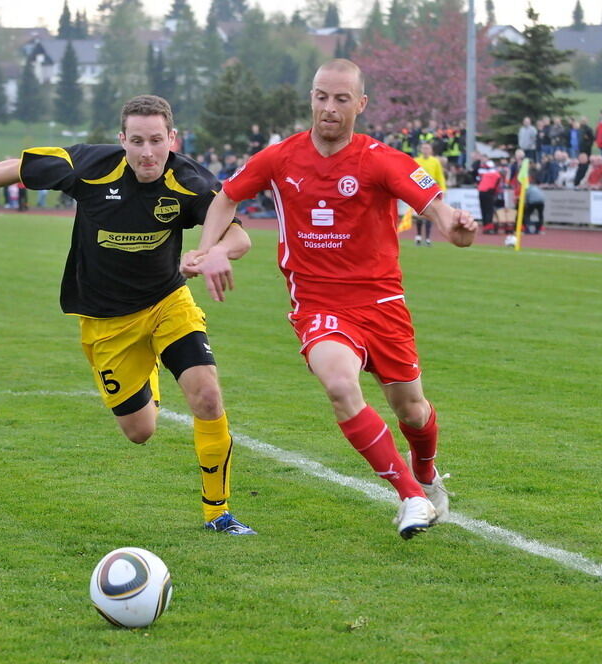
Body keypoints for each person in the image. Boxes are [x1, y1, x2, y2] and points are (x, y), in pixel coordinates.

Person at [0, 95, 257, 536]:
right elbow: (21, 166)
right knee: (139, 431)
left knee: (207, 396)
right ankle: (146, 373)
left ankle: (218, 513)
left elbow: (238, 234)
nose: (147, 152)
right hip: (106, 321)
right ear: (122, 140)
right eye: (137, 141)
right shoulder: (92, 166)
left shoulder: (188, 179)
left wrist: (215, 253)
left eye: (157, 140)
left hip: (167, 304)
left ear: (172, 139)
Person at [185, 59, 477, 539]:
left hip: (382, 306)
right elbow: (226, 197)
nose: (329, 108)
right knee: (341, 387)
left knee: (413, 412)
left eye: (341, 99)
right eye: (322, 96)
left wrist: (458, 228)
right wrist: (206, 249)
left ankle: (424, 471)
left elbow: (440, 214)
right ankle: (412, 496)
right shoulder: (279, 158)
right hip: (318, 306)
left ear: (360, 105)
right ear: (311, 99)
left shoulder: (381, 159)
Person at [412, 142, 446, 246]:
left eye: (427, 148)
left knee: (429, 214)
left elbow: (439, 175)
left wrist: (443, 188)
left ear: (431, 150)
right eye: (424, 148)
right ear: (421, 150)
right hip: (418, 191)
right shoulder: (416, 161)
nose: (425, 150)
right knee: (419, 214)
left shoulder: (435, 161)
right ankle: (418, 236)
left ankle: (427, 238)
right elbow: (412, 175)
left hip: (431, 191)